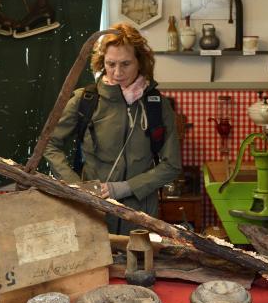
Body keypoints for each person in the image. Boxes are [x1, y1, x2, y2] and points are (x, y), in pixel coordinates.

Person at [44, 23, 182, 235]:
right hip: (92, 210)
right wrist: (76, 187)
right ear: (102, 62)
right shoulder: (85, 100)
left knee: (139, 266)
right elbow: (49, 143)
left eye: (125, 64)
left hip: (141, 215)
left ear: (140, 62)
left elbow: (172, 165)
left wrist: (123, 188)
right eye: (111, 64)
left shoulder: (156, 105)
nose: (117, 73)